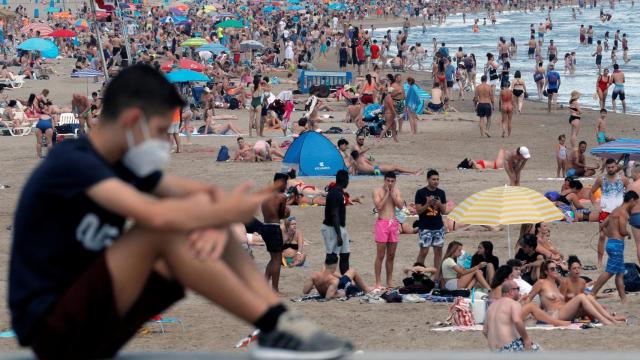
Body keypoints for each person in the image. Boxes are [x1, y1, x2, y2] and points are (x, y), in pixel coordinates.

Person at [8, 65, 352, 359]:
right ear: (132, 121)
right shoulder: (73, 164)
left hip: (95, 322)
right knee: (164, 232)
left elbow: (198, 193)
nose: (163, 143)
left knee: (207, 217)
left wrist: (221, 204)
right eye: (160, 131)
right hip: (52, 329)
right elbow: (157, 217)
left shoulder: (121, 165)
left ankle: (277, 322)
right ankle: (274, 324)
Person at [527, 260, 620, 325]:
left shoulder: (556, 284)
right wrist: (533, 314)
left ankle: (612, 319)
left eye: (556, 268)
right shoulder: (541, 282)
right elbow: (528, 299)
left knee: (590, 298)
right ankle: (604, 320)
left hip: (565, 312)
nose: (555, 270)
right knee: (581, 297)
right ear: (546, 271)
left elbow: (545, 303)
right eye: (552, 269)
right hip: (556, 315)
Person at [591, 191, 639, 303]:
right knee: (609, 272)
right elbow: (622, 230)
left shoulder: (615, 210)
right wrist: (628, 234)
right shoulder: (623, 213)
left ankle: (623, 299)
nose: (636, 204)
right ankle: (592, 293)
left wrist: (609, 234)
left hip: (612, 243)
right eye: (636, 202)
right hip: (617, 245)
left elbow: (602, 224)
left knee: (620, 273)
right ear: (631, 200)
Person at [590, 158, 629, 267]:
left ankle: (618, 259)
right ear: (606, 167)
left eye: (613, 167)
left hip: (619, 212)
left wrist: (626, 207)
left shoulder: (623, 179)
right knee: (602, 236)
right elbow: (591, 192)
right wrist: (595, 204)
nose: (611, 169)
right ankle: (599, 262)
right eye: (608, 167)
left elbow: (630, 194)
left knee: (619, 236)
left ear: (616, 167)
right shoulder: (601, 179)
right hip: (605, 211)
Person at [483, 280, 541, 352]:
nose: (519, 292)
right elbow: (517, 320)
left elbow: (485, 331)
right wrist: (526, 339)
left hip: (495, 350)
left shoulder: (491, 306)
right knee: (537, 349)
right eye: (518, 289)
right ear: (511, 291)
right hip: (508, 348)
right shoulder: (513, 304)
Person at [372, 172, 404, 289]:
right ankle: (378, 282)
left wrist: (392, 195)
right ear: (384, 180)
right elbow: (379, 206)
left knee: (391, 255)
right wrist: (386, 194)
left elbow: (401, 206)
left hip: (393, 224)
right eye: (388, 181)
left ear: (395, 182)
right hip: (382, 223)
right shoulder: (377, 191)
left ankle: (389, 281)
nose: (390, 183)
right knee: (380, 255)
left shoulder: (397, 191)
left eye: (392, 181)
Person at [260, 173, 290, 293]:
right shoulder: (281, 197)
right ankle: (275, 289)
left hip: (265, 227)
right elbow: (282, 215)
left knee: (273, 259)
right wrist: (287, 212)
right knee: (277, 259)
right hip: (274, 227)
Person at [415, 170, 447, 270]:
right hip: (425, 226)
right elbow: (418, 211)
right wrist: (428, 204)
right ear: (428, 179)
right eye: (433, 179)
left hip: (438, 226)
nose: (436, 181)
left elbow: (444, 211)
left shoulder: (441, 193)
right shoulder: (420, 192)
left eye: (437, 179)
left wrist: (439, 204)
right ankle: (418, 273)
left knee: (438, 252)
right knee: (424, 251)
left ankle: (436, 276)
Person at [322, 170, 351, 275]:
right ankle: (325, 281)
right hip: (331, 228)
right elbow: (334, 215)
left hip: (339, 228)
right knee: (332, 257)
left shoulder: (338, 192)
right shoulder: (335, 194)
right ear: (345, 180)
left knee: (345, 255)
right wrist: (339, 235)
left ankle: (345, 282)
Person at [303, 259, 372, 299]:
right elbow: (328, 297)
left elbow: (305, 291)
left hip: (327, 284)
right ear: (334, 267)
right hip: (339, 287)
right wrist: (342, 293)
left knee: (344, 276)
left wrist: (313, 287)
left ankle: (360, 286)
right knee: (353, 271)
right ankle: (366, 289)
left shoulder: (314, 275)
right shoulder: (334, 281)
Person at [350, 150, 420, 175]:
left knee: (395, 172)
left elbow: (353, 174)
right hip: (376, 169)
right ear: (358, 155)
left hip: (374, 173)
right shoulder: (362, 159)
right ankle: (413, 172)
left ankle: (412, 173)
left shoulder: (354, 164)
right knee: (395, 167)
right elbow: (371, 164)